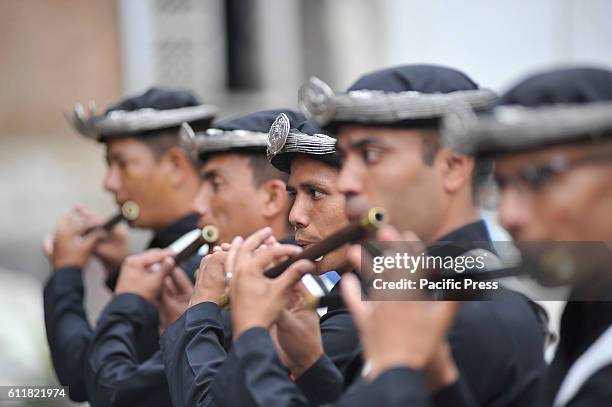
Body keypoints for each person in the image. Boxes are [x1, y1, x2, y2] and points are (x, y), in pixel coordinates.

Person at [296, 65, 544, 406]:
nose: (348, 182)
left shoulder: (468, 315)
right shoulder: (418, 294)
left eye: (370, 155)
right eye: (345, 158)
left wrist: (247, 336)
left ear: (453, 166)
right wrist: (310, 362)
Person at [448, 66, 612, 407]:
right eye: (502, 185)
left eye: (540, 177)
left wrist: (394, 370)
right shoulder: (587, 315)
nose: (508, 215)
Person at [43, 87, 216, 403]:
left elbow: (88, 379)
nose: (108, 183)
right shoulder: (179, 255)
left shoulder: (203, 269)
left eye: (121, 164)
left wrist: (66, 273)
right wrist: (118, 271)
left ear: (176, 165)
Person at [160, 109, 306, 407]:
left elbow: (121, 393)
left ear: (272, 198)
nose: (198, 205)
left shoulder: (306, 291)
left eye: (215, 184)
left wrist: (201, 309)